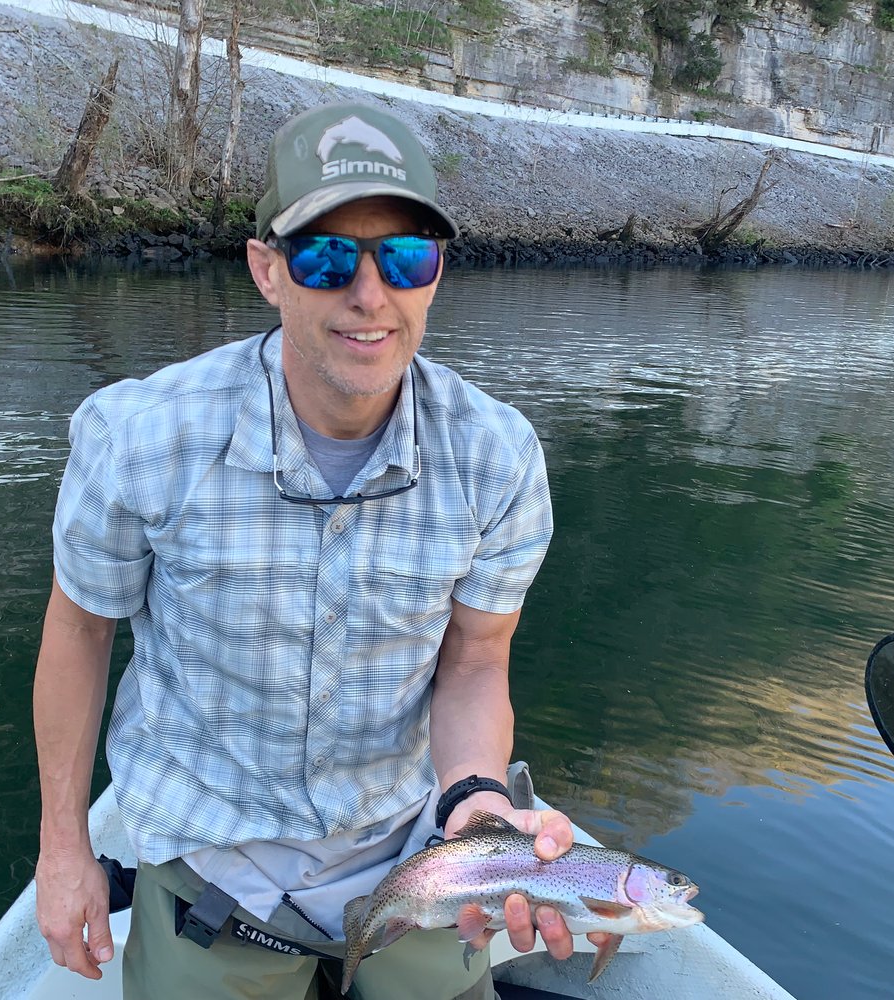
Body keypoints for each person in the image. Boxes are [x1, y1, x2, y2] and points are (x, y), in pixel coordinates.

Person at [32, 101, 594, 1000]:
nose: (369, 295)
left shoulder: (496, 455)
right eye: (326, 256)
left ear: (435, 274)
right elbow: (79, 631)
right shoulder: (140, 437)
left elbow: (476, 663)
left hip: (419, 857)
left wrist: (477, 802)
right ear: (266, 269)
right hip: (214, 869)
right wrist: (63, 845)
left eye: (404, 257)